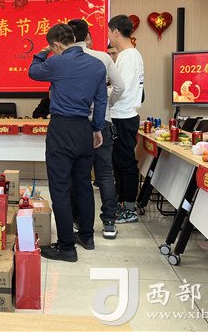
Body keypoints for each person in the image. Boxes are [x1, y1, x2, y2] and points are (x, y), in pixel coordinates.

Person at [28, 23, 107, 262]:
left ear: (56, 45)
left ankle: (66, 248)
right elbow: (101, 101)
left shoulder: (57, 62)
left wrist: (42, 52)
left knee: (60, 188)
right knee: (83, 185)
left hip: (62, 128)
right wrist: (97, 129)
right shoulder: (97, 65)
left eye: (52, 48)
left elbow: (33, 71)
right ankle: (86, 237)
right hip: (84, 128)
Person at [69, 19, 125, 239]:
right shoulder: (103, 57)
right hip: (103, 121)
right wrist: (108, 103)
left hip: (76, 124)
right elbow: (120, 87)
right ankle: (109, 222)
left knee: (77, 174)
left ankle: (77, 220)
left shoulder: (64, 59)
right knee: (104, 174)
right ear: (87, 36)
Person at [108, 15, 144, 224]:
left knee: (126, 163)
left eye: (109, 33)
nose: (109, 37)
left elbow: (119, 89)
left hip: (123, 116)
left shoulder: (127, 56)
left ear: (115, 32)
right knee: (120, 163)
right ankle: (123, 203)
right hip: (124, 115)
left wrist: (105, 100)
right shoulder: (131, 54)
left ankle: (129, 208)